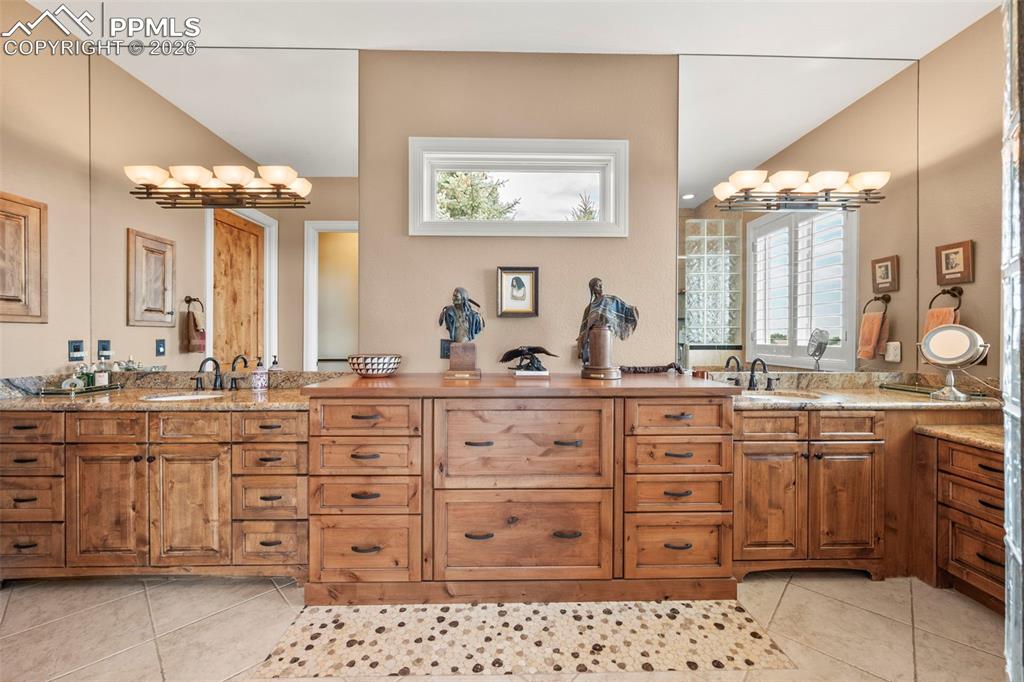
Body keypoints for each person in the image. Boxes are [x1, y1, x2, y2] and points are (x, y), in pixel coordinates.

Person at [576, 277, 638, 363]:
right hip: (593, 339)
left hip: (604, 336)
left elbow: (618, 304)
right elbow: (584, 330)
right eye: (598, 286)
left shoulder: (606, 300)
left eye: (601, 285)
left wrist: (632, 310)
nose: (601, 287)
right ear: (592, 288)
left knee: (604, 361)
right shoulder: (588, 308)